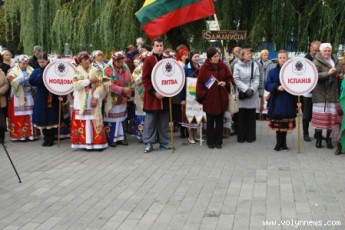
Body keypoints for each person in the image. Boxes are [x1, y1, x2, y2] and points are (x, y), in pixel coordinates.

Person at [196, 47, 233, 149]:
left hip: (221, 99)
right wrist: (205, 94)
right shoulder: (204, 68)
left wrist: (225, 83)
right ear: (210, 58)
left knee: (220, 122)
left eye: (218, 56)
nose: (217, 58)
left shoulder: (223, 66)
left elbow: (231, 80)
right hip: (210, 100)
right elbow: (200, 84)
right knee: (210, 122)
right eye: (215, 56)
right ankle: (210, 142)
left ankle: (219, 142)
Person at [70, 51, 108, 151]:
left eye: (88, 59)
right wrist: (89, 81)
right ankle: (84, 143)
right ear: (80, 62)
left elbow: (101, 83)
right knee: (83, 120)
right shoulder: (77, 72)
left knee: (94, 119)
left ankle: (97, 144)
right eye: (84, 60)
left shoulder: (95, 70)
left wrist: (95, 97)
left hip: (93, 95)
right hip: (81, 99)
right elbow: (76, 85)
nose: (87, 61)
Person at [142, 37, 172, 153]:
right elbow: (145, 79)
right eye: (157, 45)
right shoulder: (149, 60)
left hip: (164, 97)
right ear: (153, 47)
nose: (159, 47)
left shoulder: (167, 59)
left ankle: (164, 143)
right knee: (150, 121)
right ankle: (148, 143)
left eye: (161, 45)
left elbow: (170, 76)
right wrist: (154, 92)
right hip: (152, 97)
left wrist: (168, 91)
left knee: (164, 121)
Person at [265, 50, 298, 151]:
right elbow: (267, 84)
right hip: (276, 101)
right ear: (277, 59)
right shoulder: (272, 72)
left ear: (287, 58)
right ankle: (278, 143)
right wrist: (277, 87)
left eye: (284, 57)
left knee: (285, 123)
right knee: (278, 123)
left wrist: (298, 101)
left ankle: (284, 144)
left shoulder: (293, 72)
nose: (282, 59)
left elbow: (297, 85)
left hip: (288, 100)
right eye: (280, 58)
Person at [312, 43, 342, 149]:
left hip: (332, 92)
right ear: (321, 51)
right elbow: (314, 75)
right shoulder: (316, 61)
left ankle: (329, 141)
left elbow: (339, 68)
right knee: (320, 119)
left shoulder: (334, 58)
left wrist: (338, 72)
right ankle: (319, 140)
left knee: (331, 118)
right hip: (320, 93)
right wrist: (327, 73)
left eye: (329, 51)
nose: (327, 53)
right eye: (325, 51)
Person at [7, 55, 40, 141]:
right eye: (23, 63)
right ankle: (20, 135)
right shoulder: (12, 71)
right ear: (19, 63)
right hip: (18, 96)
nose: (25, 65)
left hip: (29, 96)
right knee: (20, 116)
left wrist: (32, 87)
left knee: (29, 115)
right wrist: (21, 78)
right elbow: (11, 81)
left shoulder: (31, 70)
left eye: (26, 63)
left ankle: (31, 134)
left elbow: (36, 81)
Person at [29, 52, 59, 147]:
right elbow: (32, 81)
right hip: (41, 97)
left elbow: (58, 81)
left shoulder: (52, 70)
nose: (42, 63)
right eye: (40, 61)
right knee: (42, 117)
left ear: (47, 61)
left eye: (43, 62)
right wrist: (42, 75)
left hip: (52, 96)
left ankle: (51, 138)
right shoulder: (36, 71)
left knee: (51, 116)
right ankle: (45, 137)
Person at [103, 51, 132, 147]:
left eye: (122, 61)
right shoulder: (107, 69)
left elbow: (130, 82)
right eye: (118, 62)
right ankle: (112, 138)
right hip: (112, 98)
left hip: (123, 98)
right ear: (114, 61)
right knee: (113, 119)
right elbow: (107, 84)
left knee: (122, 118)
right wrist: (122, 90)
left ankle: (121, 137)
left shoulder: (125, 68)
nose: (121, 64)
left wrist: (127, 96)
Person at [233, 48, 260, 143]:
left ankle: (250, 137)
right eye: (248, 53)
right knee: (241, 116)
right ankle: (241, 136)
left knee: (251, 116)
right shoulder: (237, 66)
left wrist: (252, 89)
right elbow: (236, 79)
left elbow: (257, 78)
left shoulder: (255, 64)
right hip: (242, 93)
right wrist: (246, 89)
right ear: (242, 55)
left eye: (250, 53)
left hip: (252, 93)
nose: (250, 55)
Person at [130, 49, 151, 141]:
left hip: (151, 94)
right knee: (142, 113)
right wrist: (142, 76)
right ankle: (142, 134)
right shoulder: (138, 69)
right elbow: (133, 82)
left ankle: (152, 134)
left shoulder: (154, 67)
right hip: (141, 94)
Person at [303, 41, 321, 142]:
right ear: (310, 49)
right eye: (315, 50)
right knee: (306, 115)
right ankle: (305, 133)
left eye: (318, 50)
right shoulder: (306, 59)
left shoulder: (321, 59)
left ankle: (317, 133)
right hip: (308, 92)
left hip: (319, 92)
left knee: (317, 114)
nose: (317, 52)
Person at [181, 51, 201, 144]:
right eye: (195, 56)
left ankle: (195, 135)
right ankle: (190, 136)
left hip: (197, 96)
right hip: (188, 95)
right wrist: (182, 99)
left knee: (197, 114)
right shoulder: (186, 68)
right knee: (190, 115)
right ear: (191, 57)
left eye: (198, 56)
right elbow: (182, 84)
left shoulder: (200, 67)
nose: (197, 58)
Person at [0, 68, 9, 143]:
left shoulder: (1, 73)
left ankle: (1, 138)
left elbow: (6, 84)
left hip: (1, 99)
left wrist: (1, 91)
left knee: (1, 120)